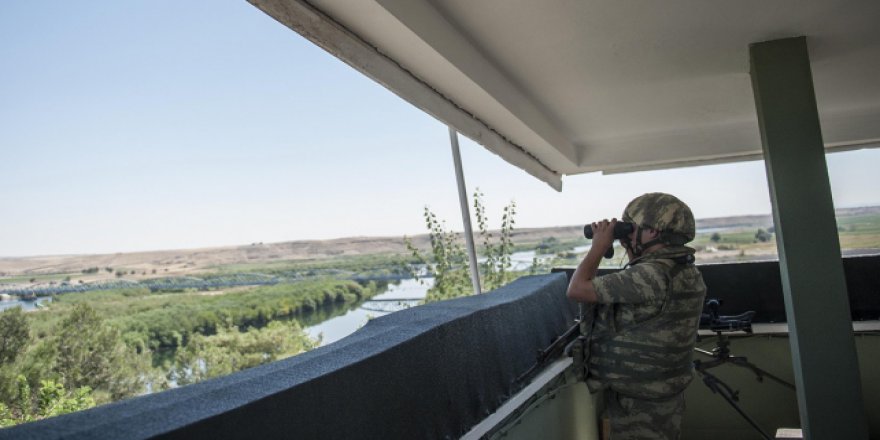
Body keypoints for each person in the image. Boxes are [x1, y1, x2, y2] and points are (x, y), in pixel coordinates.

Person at [567, 193, 706, 440]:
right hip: (665, 393)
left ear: (652, 231)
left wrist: (598, 246)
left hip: (639, 404)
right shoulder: (683, 269)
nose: (626, 237)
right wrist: (631, 243)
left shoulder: (651, 275)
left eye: (631, 229)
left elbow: (577, 289)